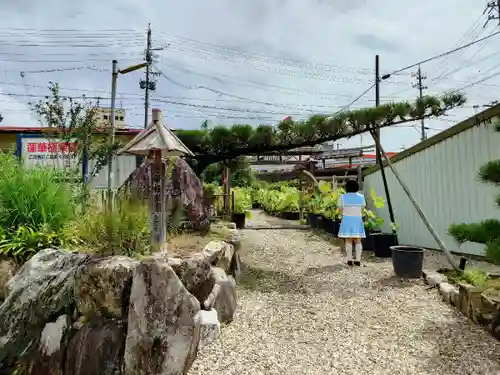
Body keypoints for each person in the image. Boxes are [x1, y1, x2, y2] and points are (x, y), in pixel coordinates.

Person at [337, 179, 366, 266]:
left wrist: (344, 215)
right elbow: (362, 209)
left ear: (346, 188)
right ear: (357, 187)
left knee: (348, 239)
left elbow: (340, 210)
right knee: (358, 240)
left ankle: (349, 260)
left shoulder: (342, 197)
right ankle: (358, 260)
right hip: (357, 220)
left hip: (347, 219)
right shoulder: (361, 197)